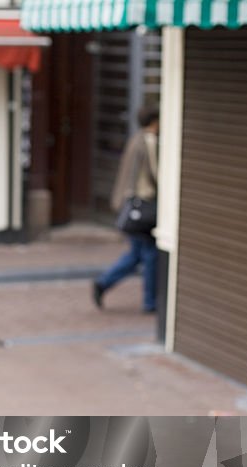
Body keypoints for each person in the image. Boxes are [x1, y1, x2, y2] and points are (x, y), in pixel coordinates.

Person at [93, 105, 160, 313]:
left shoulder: (135, 139)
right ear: (154, 121)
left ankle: (103, 283)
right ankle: (150, 302)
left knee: (136, 254)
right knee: (150, 255)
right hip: (144, 208)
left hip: (133, 207)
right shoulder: (149, 141)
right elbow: (156, 174)